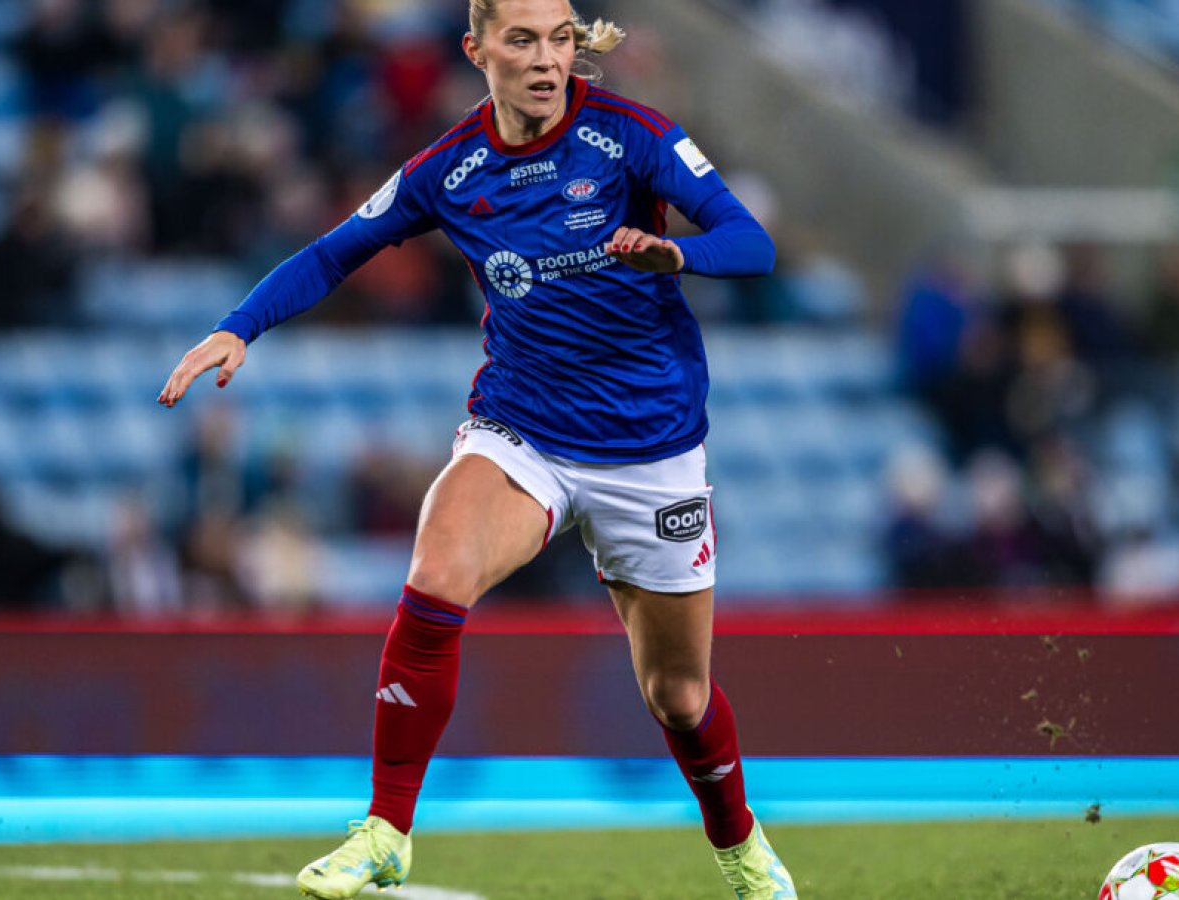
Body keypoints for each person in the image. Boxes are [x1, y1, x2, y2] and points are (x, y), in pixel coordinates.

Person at [156, 2, 796, 898]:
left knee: (679, 699)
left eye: (561, 39)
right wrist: (239, 328)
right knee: (436, 569)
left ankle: (740, 847)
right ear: (477, 50)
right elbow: (337, 251)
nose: (546, 60)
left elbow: (753, 243)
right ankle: (385, 832)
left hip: (649, 449)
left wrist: (673, 254)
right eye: (523, 41)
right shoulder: (448, 168)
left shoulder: (634, 136)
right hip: (521, 430)